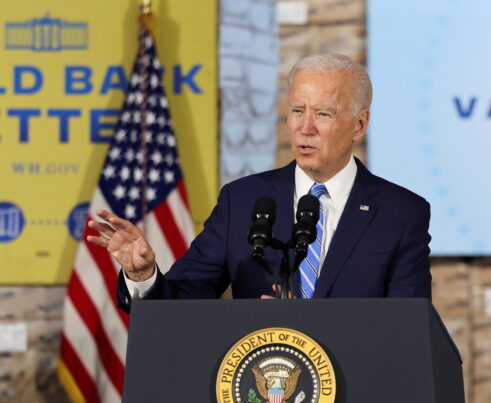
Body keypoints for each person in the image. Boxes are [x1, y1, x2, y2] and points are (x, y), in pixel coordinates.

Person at [87, 53, 431, 312]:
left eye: (322, 114)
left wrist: (317, 325)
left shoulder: (400, 213)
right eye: (298, 111)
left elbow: (407, 326)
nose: (304, 128)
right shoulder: (243, 200)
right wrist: (143, 275)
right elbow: (180, 302)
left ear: (359, 125)